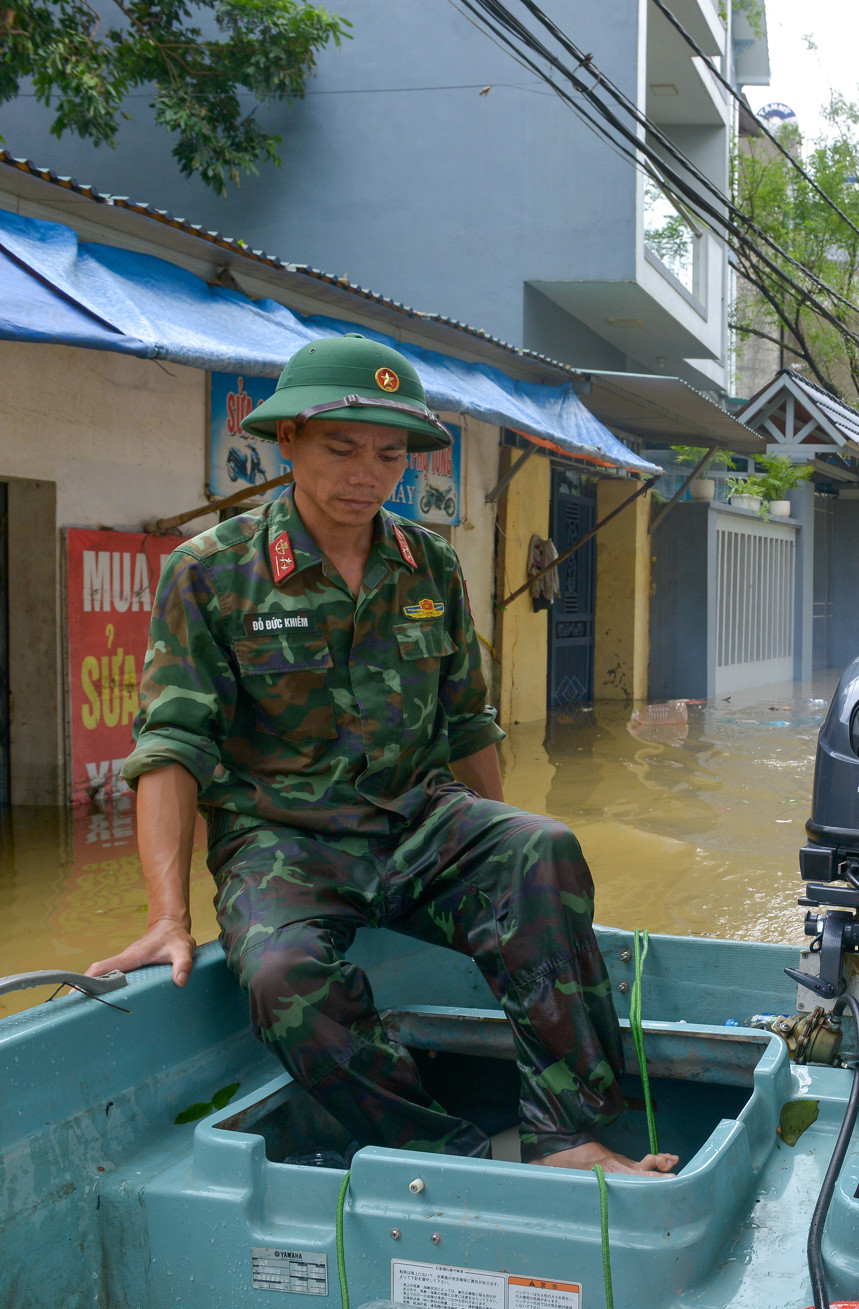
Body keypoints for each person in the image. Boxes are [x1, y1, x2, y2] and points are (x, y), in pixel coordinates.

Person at [88, 335, 675, 1177]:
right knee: (281, 977)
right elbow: (172, 746)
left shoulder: (427, 561)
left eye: (390, 454)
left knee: (540, 846)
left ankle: (568, 1139)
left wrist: (503, 871)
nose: (367, 472)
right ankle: (444, 1150)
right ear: (287, 441)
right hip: (284, 841)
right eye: (342, 447)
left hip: (419, 823)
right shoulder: (212, 572)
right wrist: (168, 917)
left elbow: (469, 725)